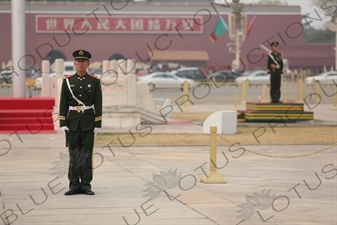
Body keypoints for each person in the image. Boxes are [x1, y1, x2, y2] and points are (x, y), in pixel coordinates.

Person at [59, 50, 102, 196]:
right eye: (78, 61)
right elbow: (63, 103)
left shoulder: (94, 81)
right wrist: (63, 122)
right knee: (74, 154)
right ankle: (73, 185)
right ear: (74, 63)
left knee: (87, 154)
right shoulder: (68, 81)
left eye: (84, 61)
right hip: (73, 122)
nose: (81, 63)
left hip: (88, 121)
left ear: (88, 64)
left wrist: (97, 124)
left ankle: (86, 185)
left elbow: (98, 103)